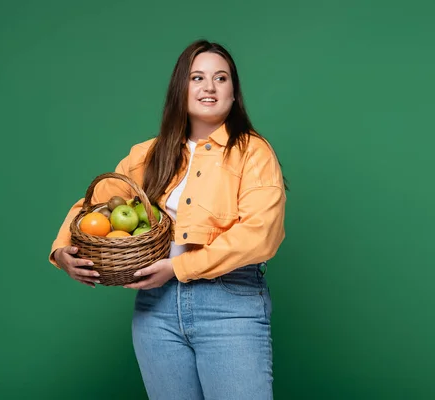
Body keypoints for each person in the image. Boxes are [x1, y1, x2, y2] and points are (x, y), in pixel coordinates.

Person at [49, 39, 287, 400]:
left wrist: (178, 267)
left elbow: (260, 235)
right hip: (155, 310)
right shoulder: (147, 154)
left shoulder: (252, 153)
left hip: (229, 306)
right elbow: (94, 206)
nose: (209, 87)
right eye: (197, 78)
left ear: (234, 93)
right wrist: (63, 250)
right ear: (181, 89)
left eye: (221, 79)